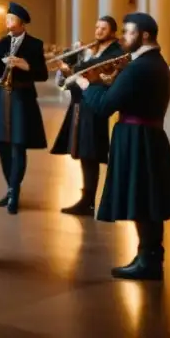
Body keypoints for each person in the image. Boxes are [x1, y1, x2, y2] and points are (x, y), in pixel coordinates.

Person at [72, 12, 170, 280]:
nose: (123, 37)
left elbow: (104, 106)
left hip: (137, 137)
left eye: (129, 32)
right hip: (147, 135)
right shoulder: (154, 62)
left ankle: (148, 260)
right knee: (147, 199)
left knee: (142, 199)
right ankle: (148, 255)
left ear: (144, 35)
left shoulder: (139, 67)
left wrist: (86, 83)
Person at [51, 15, 124, 215]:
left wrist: (77, 62)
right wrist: (69, 65)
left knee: (90, 153)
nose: (98, 31)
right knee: (83, 152)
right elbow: (78, 75)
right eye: (97, 27)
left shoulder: (115, 52)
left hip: (95, 105)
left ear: (113, 32)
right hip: (80, 105)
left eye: (103, 28)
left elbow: (95, 68)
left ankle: (89, 200)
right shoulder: (94, 49)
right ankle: (87, 198)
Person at [0, 2, 48, 214]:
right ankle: (11, 188)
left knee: (18, 145)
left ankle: (15, 191)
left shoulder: (34, 44)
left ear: (21, 22)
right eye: (7, 19)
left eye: (10, 19)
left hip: (22, 98)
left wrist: (25, 65)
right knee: (2, 144)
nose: (7, 22)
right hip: (2, 97)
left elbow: (42, 74)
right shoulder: (2, 42)